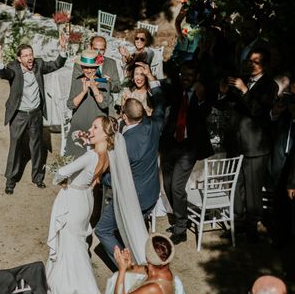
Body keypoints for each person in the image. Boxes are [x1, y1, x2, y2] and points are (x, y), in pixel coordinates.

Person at [95, 62, 164, 267]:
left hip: (133, 199)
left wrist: (100, 177)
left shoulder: (124, 145)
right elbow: (160, 103)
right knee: (134, 231)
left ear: (124, 116)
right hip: (151, 194)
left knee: (103, 230)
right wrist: (153, 79)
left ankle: (128, 269)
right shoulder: (154, 125)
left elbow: (115, 176)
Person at [47, 116, 115, 294]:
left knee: (70, 246)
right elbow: (92, 174)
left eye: (95, 128)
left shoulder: (91, 156)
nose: (90, 130)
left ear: (104, 134)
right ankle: (73, 283)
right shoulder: (107, 155)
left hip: (74, 200)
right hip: (86, 200)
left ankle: (72, 290)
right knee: (75, 245)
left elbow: (63, 171)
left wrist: (60, 178)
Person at [216, 47, 277, 242]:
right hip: (236, 143)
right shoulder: (242, 78)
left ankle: (252, 228)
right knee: (235, 186)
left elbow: (257, 110)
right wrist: (223, 92)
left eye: (256, 62)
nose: (251, 65)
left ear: (265, 65)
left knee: (252, 189)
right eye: (250, 61)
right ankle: (237, 223)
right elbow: (226, 106)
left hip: (255, 147)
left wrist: (244, 90)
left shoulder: (270, 86)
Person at [0, 39, 67, 194]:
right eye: (25, 55)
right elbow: (3, 74)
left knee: (36, 146)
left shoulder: (38, 65)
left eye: (31, 54)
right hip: (19, 114)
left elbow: (56, 64)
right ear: (19, 59)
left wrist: (63, 48)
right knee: (15, 146)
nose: (29, 58)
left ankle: (37, 178)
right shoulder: (13, 68)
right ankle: (10, 180)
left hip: (35, 113)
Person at [160, 61, 213, 244]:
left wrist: (202, 97)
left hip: (188, 148)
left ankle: (181, 228)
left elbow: (205, 112)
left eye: (189, 75)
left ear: (196, 77)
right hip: (170, 145)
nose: (185, 78)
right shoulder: (175, 90)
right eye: (183, 74)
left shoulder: (201, 94)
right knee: (167, 186)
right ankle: (179, 217)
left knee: (177, 187)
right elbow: (162, 92)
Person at [65, 50, 111, 157]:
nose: (89, 70)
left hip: (96, 130)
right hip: (78, 127)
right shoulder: (77, 81)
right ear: (81, 67)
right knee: (75, 158)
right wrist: (83, 92)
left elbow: (104, 105)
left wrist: (94, 88)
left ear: (97, 67)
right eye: (86, 67)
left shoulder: (104, 82)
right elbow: (70, 105)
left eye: (92, 67)